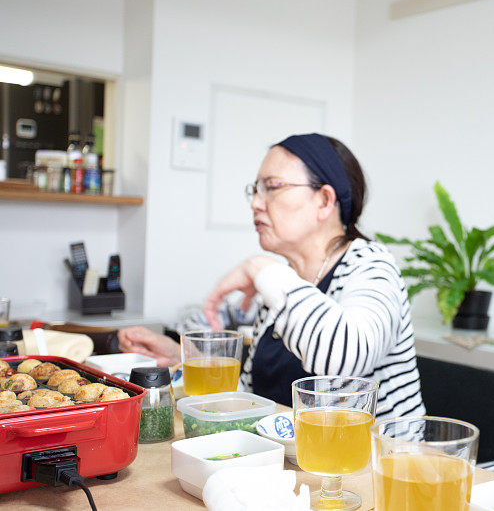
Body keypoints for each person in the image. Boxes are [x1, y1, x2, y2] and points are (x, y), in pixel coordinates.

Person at [119, 133, 425, 420]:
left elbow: (343, 361)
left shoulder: (370, 264)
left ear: (324, 201)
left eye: (273, 187)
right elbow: (252, 398)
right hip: (286, 468)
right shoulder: (283, 281)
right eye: (255, 190)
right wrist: (185, 360)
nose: (255, 202)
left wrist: (261, 268)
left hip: (377, 468)